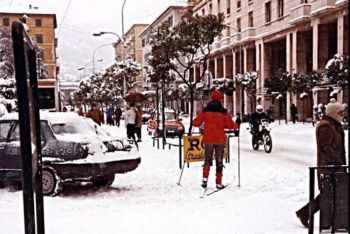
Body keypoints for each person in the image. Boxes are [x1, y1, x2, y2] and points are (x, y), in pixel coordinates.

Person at [295, 99, 346, 228]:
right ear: (334, 113)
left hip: (336, 166)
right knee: (327, 194)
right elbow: (326, 148)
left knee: (331, 193)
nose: (342, 115)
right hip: (328, 167)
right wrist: (334, 164)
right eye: (340, 113)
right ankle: (305, 212)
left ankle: (306, 212)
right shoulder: (325, 126)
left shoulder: (335, 124)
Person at [193, 91, 238, 189]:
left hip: (208, 139)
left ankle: (204, 180)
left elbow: (196, 123)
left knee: (207, 160)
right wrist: (237, 124)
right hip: (219, 139)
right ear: (220, 99)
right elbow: (230, 125)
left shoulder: (205, 110)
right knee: (219, 161)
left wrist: (195, 120)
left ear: (211, 99)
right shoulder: (223, 112)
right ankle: (218, 182)